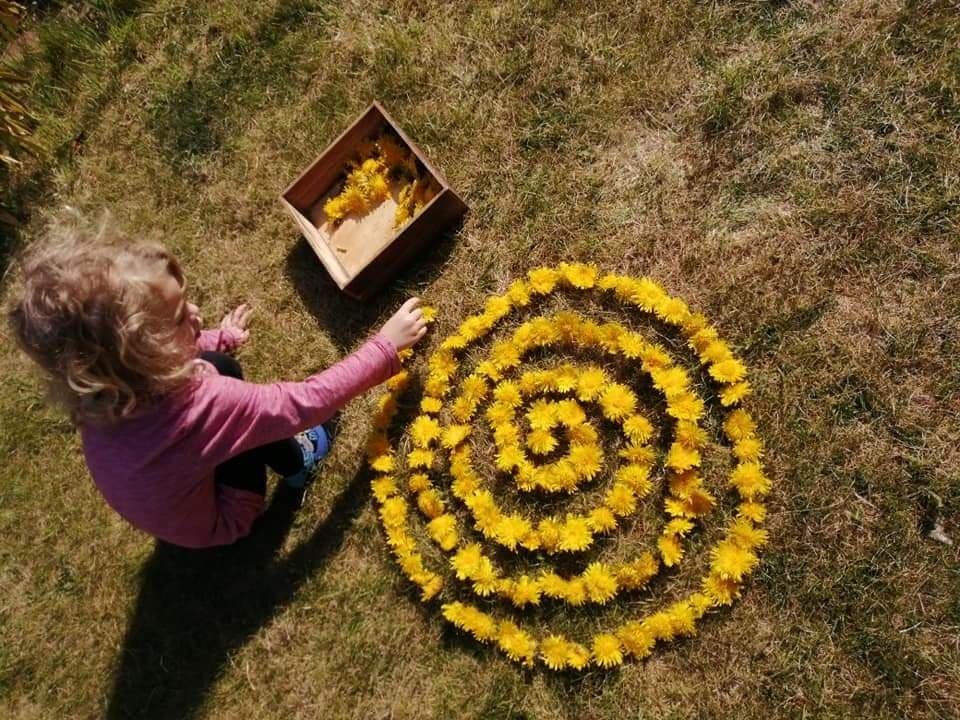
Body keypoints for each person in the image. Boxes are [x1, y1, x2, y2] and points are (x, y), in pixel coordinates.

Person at [7, 214, 427, 548]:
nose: (195, 313)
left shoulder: (105, 393)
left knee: (217, 363)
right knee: (228, 389)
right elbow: (303, 403)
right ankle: (300, 461)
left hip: (176, 503)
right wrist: (384, 348)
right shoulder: (199, 407)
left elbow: (171, 359)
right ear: (139, 354)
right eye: (176, 318)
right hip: (224, 517)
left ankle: (216, 467)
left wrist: (219, 340)